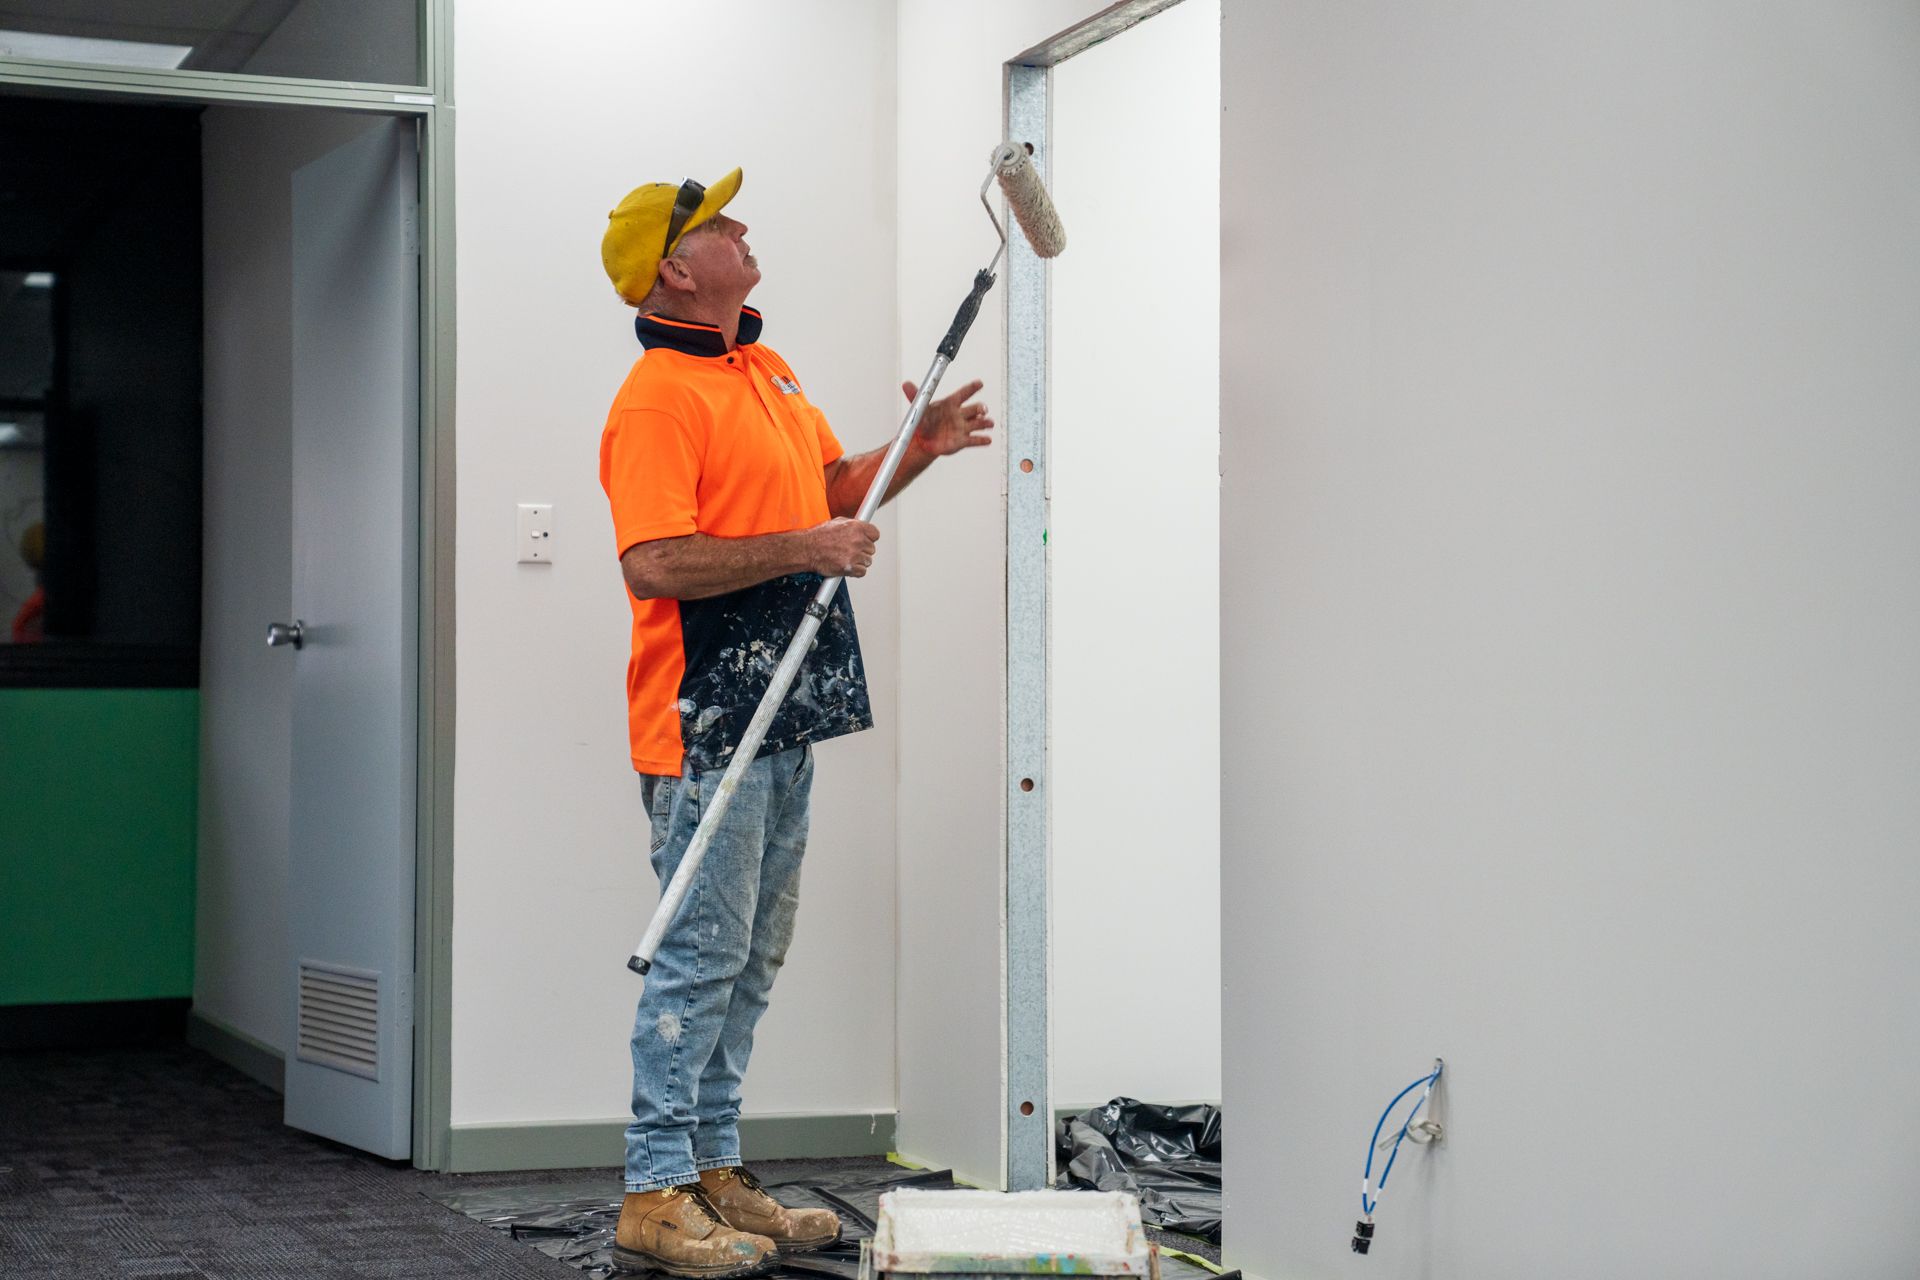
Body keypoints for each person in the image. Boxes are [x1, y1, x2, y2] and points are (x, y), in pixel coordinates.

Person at [597, 169, 993, 1278]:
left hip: (785, 709)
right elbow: (654, 559)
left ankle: (714, 1166)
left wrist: (914, 448)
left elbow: (830, 487)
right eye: (721, 223)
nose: (742, 229)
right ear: (678, 266)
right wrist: (806, 551)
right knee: (700, 954)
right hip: (707, 715)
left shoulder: (761, 370)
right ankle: (652, 1186)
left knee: (753, 956)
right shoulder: (657, 398)